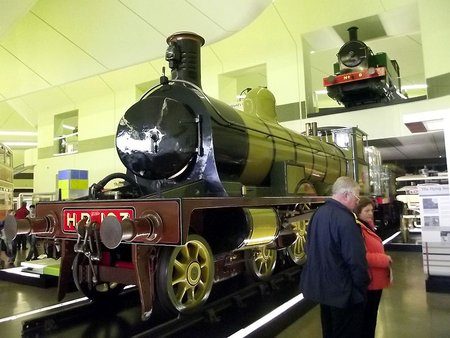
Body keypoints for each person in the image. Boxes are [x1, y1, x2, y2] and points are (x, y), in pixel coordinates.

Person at [300, 176, 370, 338]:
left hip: (324, 292)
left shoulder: (318, 214)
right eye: (356, 197)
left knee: (329, 332)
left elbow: (309, 248)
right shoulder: (346, 220)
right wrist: (362, 286)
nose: (357, 202)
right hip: (344, 294)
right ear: (346, 195)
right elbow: (356, 260)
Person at [355, 197, 392, 338]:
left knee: (371, 316)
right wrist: (385, 259)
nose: (370, 213)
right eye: (366, 210)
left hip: (376, 279)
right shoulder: (359, 229)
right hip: (370, 280)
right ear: (358, 212)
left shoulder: (368, 226)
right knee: (368, 318)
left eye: (371, 210)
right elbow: (363, 256)